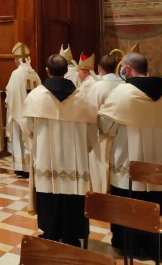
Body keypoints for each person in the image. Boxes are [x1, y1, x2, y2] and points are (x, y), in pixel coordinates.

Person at [22, 54, 98, 247]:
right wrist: (83, 149)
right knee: (73, 196)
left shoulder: (36, 97)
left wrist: (34, 147)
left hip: (46, 159)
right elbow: (91, 133)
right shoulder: (82, 98)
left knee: (49, 194)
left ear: (47, 70)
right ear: (66, 71)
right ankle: (71, 236)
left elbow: (28, 129)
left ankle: (51, 233)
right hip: (75, 162)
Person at [99, 52, 162, 260]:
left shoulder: (122, 93)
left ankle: (129, 245)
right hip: (157, 162)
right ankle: (154, 246)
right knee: (155, 202)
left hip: (127, 160)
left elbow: (106, 126)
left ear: (127, 69)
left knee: (128, 203)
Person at [86, 54, 123, 193]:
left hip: (101, 134)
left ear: (100, 68)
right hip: (121, 133)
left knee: (100, 165)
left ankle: (100, 194)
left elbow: (91, 111)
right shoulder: (124, 85)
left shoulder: (98, 87)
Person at [5, 42, 41, 178]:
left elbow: (11, 92)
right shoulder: (34, 73)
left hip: (19, 110)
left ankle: (21, 167)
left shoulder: (16, 73)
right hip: (32, 112)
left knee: (19, 138)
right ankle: (30, 166)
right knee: (30, 138)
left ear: (17, 60)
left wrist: (8, 99)